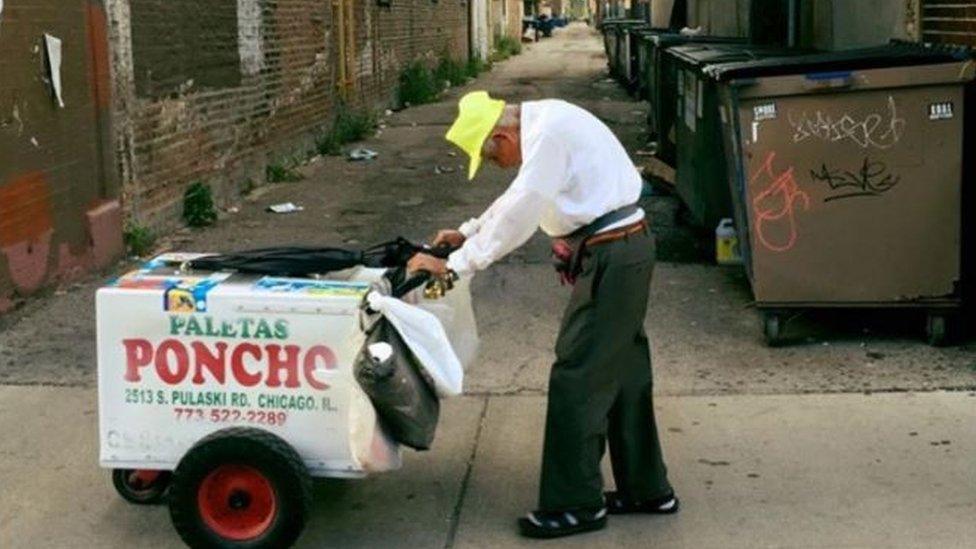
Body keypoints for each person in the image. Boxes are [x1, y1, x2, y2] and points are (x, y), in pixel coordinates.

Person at [407, 91, 677, 539]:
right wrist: (469, 232)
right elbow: (519, 195)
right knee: (625, 374)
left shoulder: (546, 135)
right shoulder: (544, 122)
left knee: (578, 374)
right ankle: (648, 491)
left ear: (501, 134)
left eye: (493, 157)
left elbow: (523, 208)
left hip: (613, 255)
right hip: (621, 249)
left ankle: (576, 504)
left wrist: (455, 265)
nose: (500, 165)